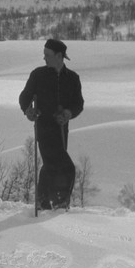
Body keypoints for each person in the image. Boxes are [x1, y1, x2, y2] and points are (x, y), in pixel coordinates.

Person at [18, 38, 84, 210]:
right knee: (67, 167)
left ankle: (43, 201)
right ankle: (60, 201)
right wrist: (28, 110)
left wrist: (68, 113)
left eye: (47, 55)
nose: (44, 58)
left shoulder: (72, 78)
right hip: (44, 128)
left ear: (59, 56)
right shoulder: (38, 75)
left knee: (50, 166)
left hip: (62, 129)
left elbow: (78, 104)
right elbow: (25, 97)